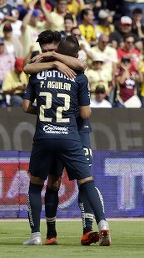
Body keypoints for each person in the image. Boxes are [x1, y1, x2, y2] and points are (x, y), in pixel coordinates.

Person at [22, 36, 111, 246]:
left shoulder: (38, 73)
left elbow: (26, 105)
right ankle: (102, 223)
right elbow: (86, 113)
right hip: (71, 134)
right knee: (85, 181)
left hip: (45, 135)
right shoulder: (78, 76)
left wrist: (45, 112)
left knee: (37, 184)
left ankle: (37, 234)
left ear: (58, 49)